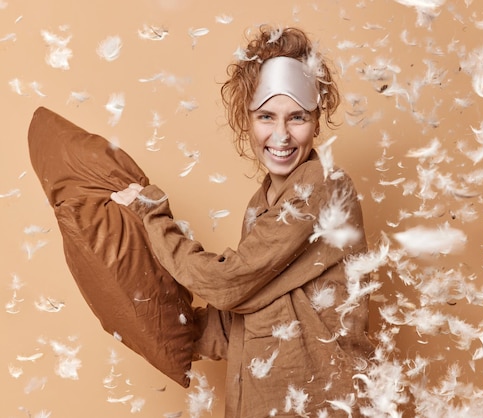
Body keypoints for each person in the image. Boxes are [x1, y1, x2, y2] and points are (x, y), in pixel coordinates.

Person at [112, 25, 373, 417]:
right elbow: (242, 315)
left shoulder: (323, 187)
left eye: (297, 117)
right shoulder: (259, 205)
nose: (281, 136)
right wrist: (158, 324)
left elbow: (227, 283)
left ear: (317, 121)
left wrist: (153, 215)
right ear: (246, 119)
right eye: (266, 116)